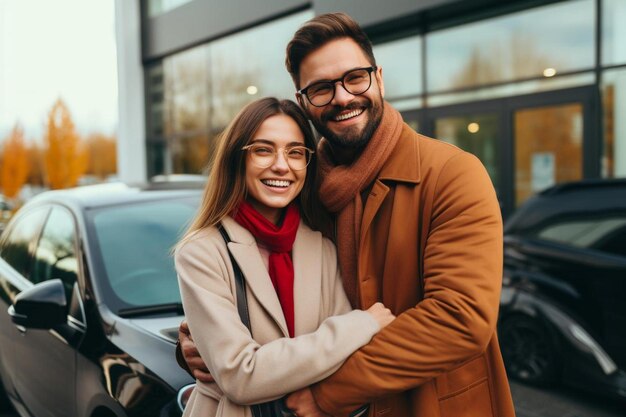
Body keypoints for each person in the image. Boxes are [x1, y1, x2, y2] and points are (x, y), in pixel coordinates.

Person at [180, 12, 516, 417]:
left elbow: (460, 318)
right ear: (305, 104)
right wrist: (199, 343)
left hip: (430, 406)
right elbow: (273, 315)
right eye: (322, 88)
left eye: (354, 78)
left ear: (379, 79)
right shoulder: (305, 192)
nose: (342, 97)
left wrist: (328, 394)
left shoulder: (452, 174)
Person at [174, 97, 395, 417]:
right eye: (263, 150)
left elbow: (348, 363)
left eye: (295, 152)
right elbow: (242, 377)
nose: (282, 165)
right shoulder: (201, 252)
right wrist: (361, 325)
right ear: (238, 160)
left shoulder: (322, 247)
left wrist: (275, 365)